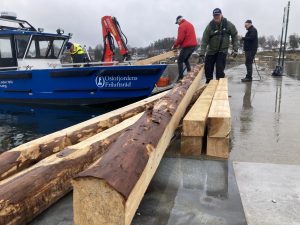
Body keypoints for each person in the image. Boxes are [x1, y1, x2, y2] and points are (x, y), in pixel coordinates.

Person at [200, 8, 238, 83]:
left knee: (219, 69)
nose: (216, 17)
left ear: (221, 15)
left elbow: (234, 35)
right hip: (211, 50)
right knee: (208, 67)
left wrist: (235, 49)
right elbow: (204, 40)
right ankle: (208, 82)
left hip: (222, 50)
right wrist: (202, 53)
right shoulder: (210, 26)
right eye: (214, 16)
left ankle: (219, 83)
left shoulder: (228, 24)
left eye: (217, 15)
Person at [173, 16, 198, 80]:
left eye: (177, 23)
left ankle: (181, 77)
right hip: (193, 46)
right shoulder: (190, 24)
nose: (178, 24)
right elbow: (187, 36)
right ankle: (189, 72)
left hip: (187, 46)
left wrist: (175, 46)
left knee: (179, 61)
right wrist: (180, 45)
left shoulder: (181, 26)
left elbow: (180, 38)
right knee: (185, 59)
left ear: (179, 20)